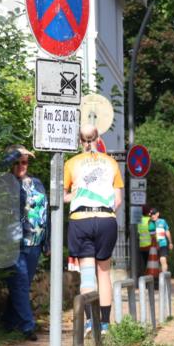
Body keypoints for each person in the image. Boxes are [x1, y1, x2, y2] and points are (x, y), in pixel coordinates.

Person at [63, 125, 124, 335]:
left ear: (80, 141)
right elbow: (118, 200)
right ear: (98, 139)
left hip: (81, 219)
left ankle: (90, 322)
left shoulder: (71, 163)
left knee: (87, 274)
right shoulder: (111, 163)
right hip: (106, 219)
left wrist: (77, 196)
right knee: (104, 273)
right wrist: (103, 209)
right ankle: (105, 323)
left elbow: (63, 196)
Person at [0, 145, 50, 341]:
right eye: (17, 162)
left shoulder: (37, 183)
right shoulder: (6, 182)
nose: (21, 165)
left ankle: (7, 323)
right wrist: (15, 153)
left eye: (24, 162)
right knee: (19, 283)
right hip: (14, 242)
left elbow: (46, 212)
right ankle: (28, 326)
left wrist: (48, 243)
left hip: (35, 243)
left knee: (22, 284)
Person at [150, 207, 172, 273]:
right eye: (151, 215)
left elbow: (167, 232)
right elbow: (151, 235)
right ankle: (159, 276)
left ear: (158, 214)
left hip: (163, 243)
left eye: (154, 214)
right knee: (156, 262)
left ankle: (164, 275)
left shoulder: (162, 221)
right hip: (153, 246)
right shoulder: (150, 224)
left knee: (163, 259)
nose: (152, 216)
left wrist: (170, 242)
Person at [137, 206, 154, 275]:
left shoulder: (139, 220)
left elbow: (138, 232)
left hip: (141, 246)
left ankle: (142, 277)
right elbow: (153, 233)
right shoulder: (150, 220)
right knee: (150, 264)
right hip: (149, 246)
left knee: (143, 264)